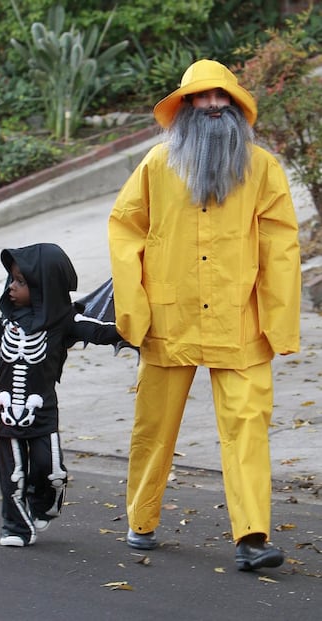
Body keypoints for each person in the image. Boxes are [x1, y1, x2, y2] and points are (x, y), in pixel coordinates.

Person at [108, 59, 301, 571]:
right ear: (188, 106)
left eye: (223, 98)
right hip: (170, 321)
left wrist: (279, 321)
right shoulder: (155, 165)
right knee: (155, 426)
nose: (214, 106)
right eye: (203, 98)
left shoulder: (262, 168)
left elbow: (280, 246)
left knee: (248, 427)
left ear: (235, 106)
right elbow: (125, 232)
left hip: (241, 322)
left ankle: (253, 536)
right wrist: (134, 310)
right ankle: (141, 518)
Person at [0, 243, 121, 548]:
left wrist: (133, 322)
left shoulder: (64, 321)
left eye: (21, 282)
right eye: (12, 280)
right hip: (5, 409)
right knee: (13, 474)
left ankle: (44, 501)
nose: (12, 288)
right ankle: (14, 527)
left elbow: (100, 332)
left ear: (45, 287)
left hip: (41, 410)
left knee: (51, 470)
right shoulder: (7, 321)